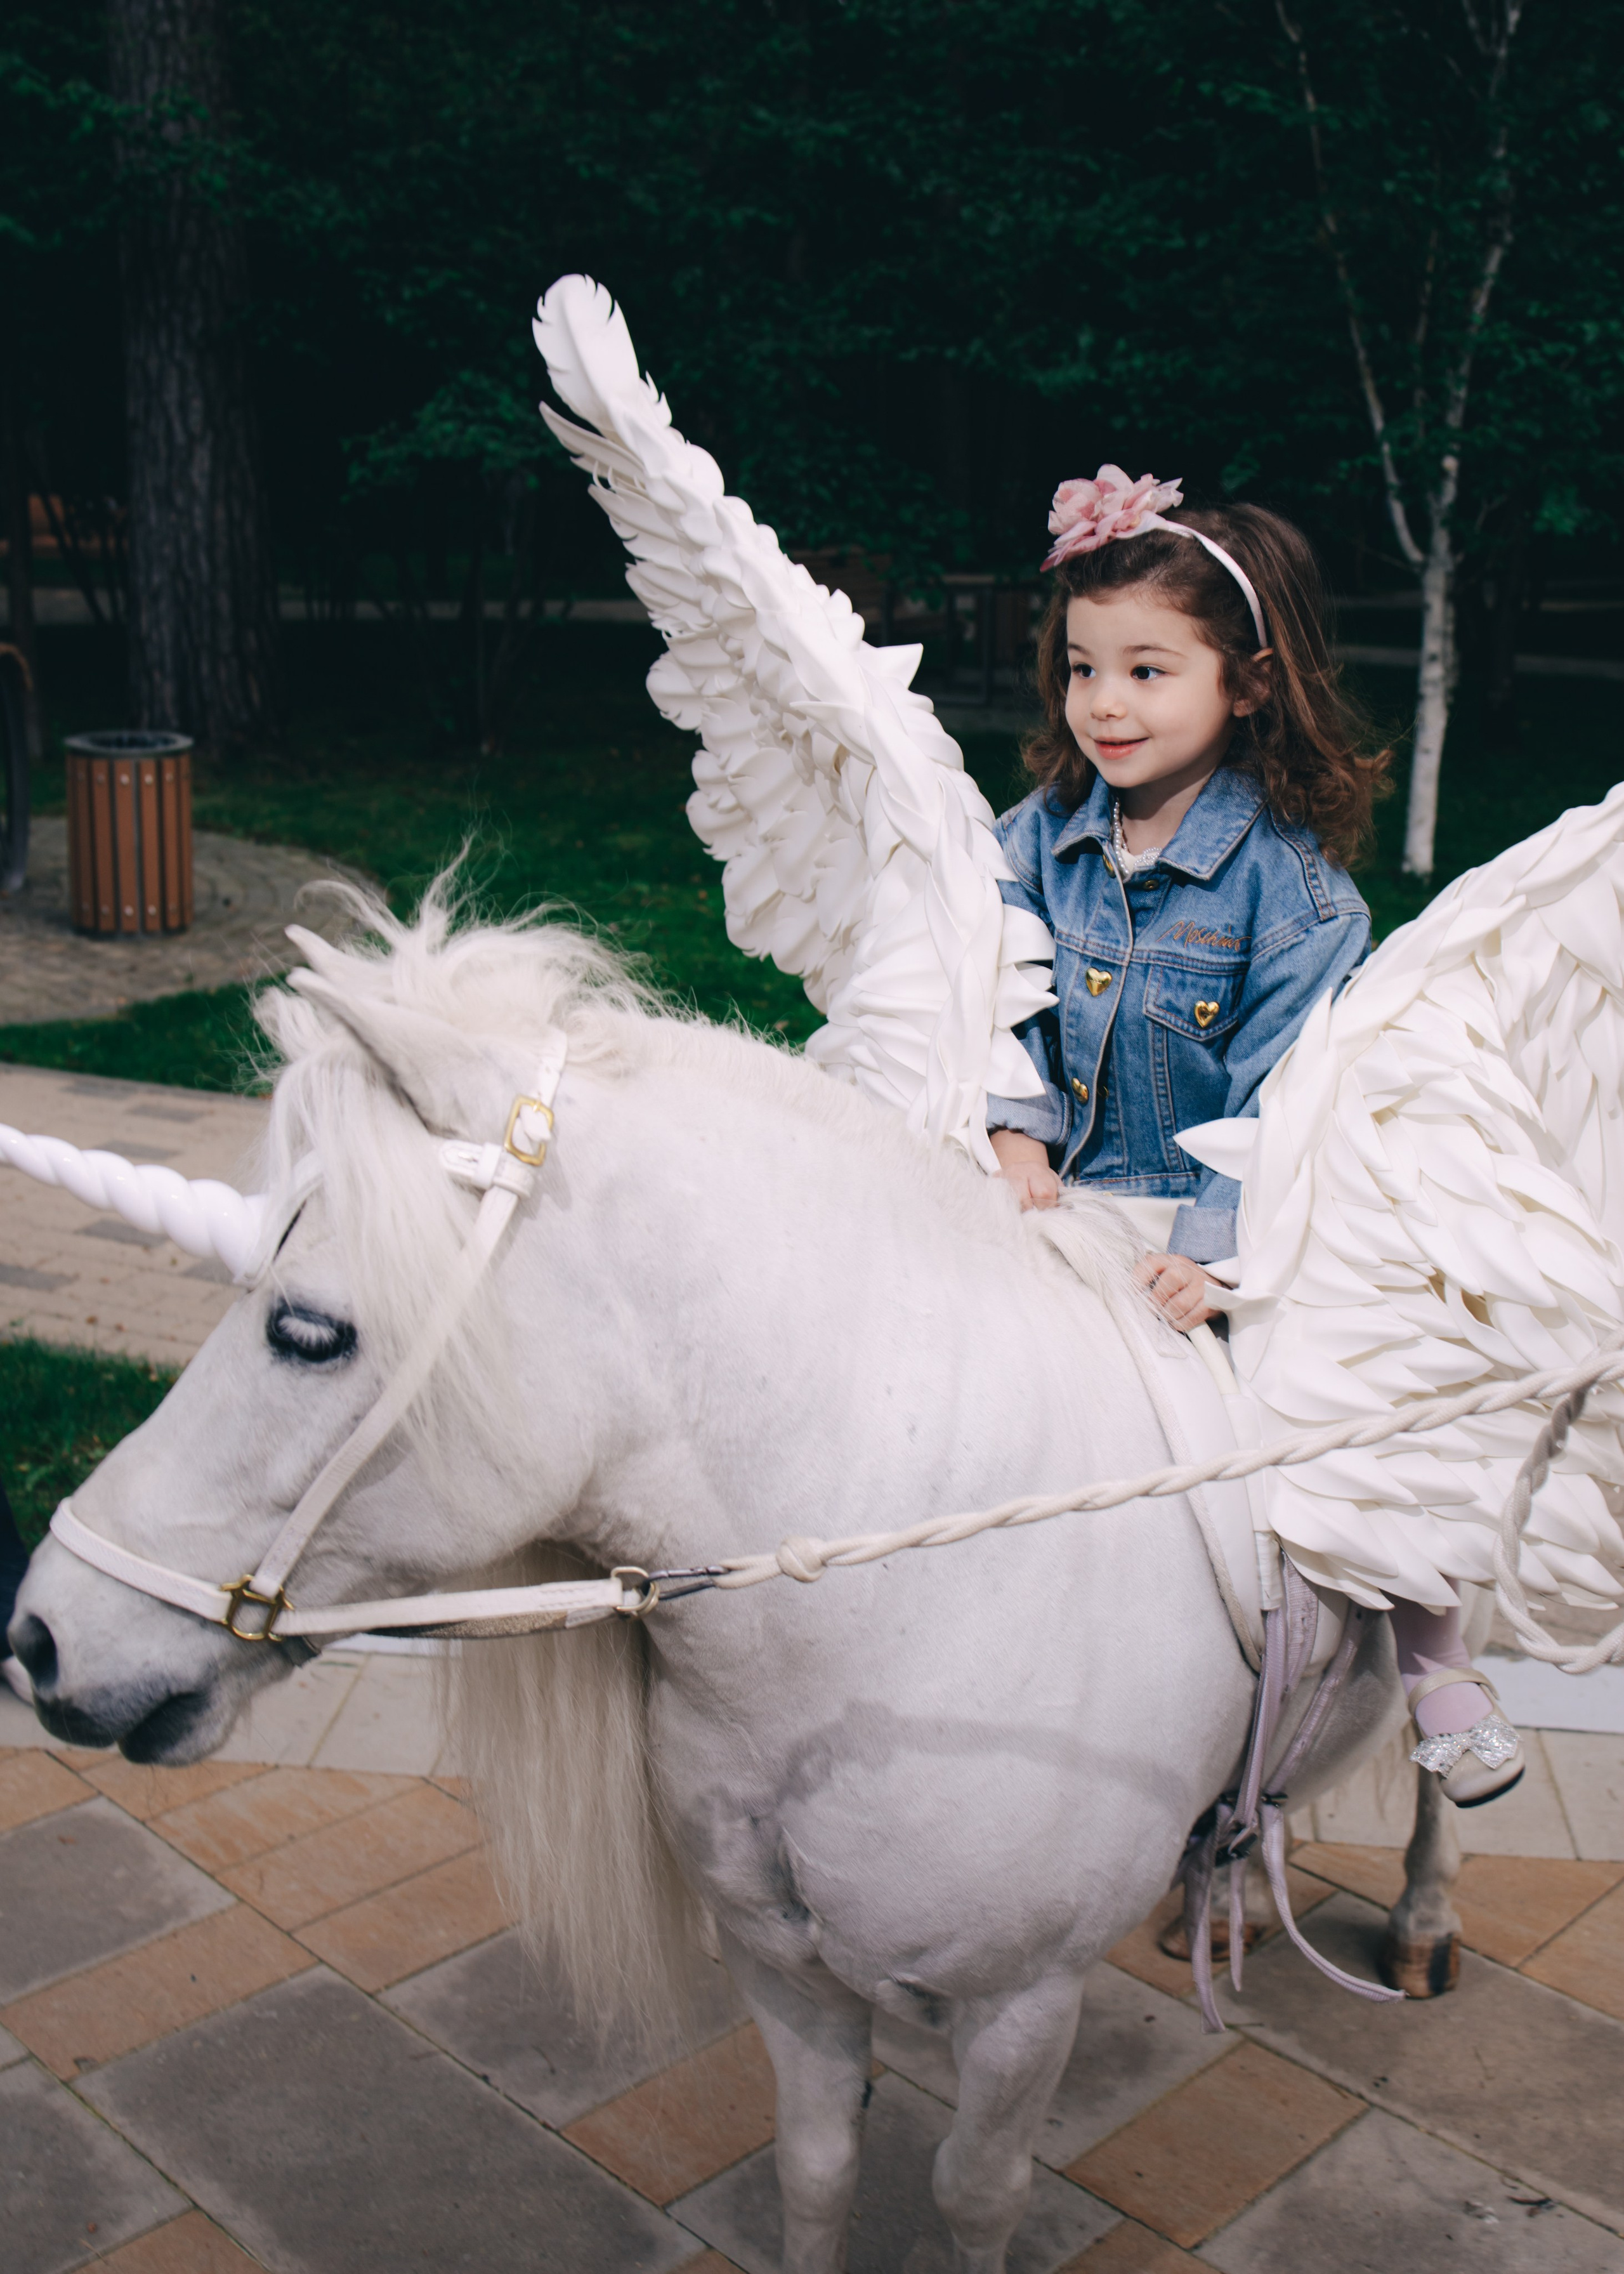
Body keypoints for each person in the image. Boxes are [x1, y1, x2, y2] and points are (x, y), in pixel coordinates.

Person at [986, 467, 1522, 1806]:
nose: (1103, 704)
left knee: (1342, 1392)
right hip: (1050, 1197)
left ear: (1246, 683)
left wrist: (1223, 1257)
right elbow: (973, 978)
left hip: (1228, 1219)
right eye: (1079, 669)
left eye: (1147, 670)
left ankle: (1430, 1650)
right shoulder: (1031, 842)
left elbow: (1285, 1102)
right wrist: (1010, 1127)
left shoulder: (1295, 901)